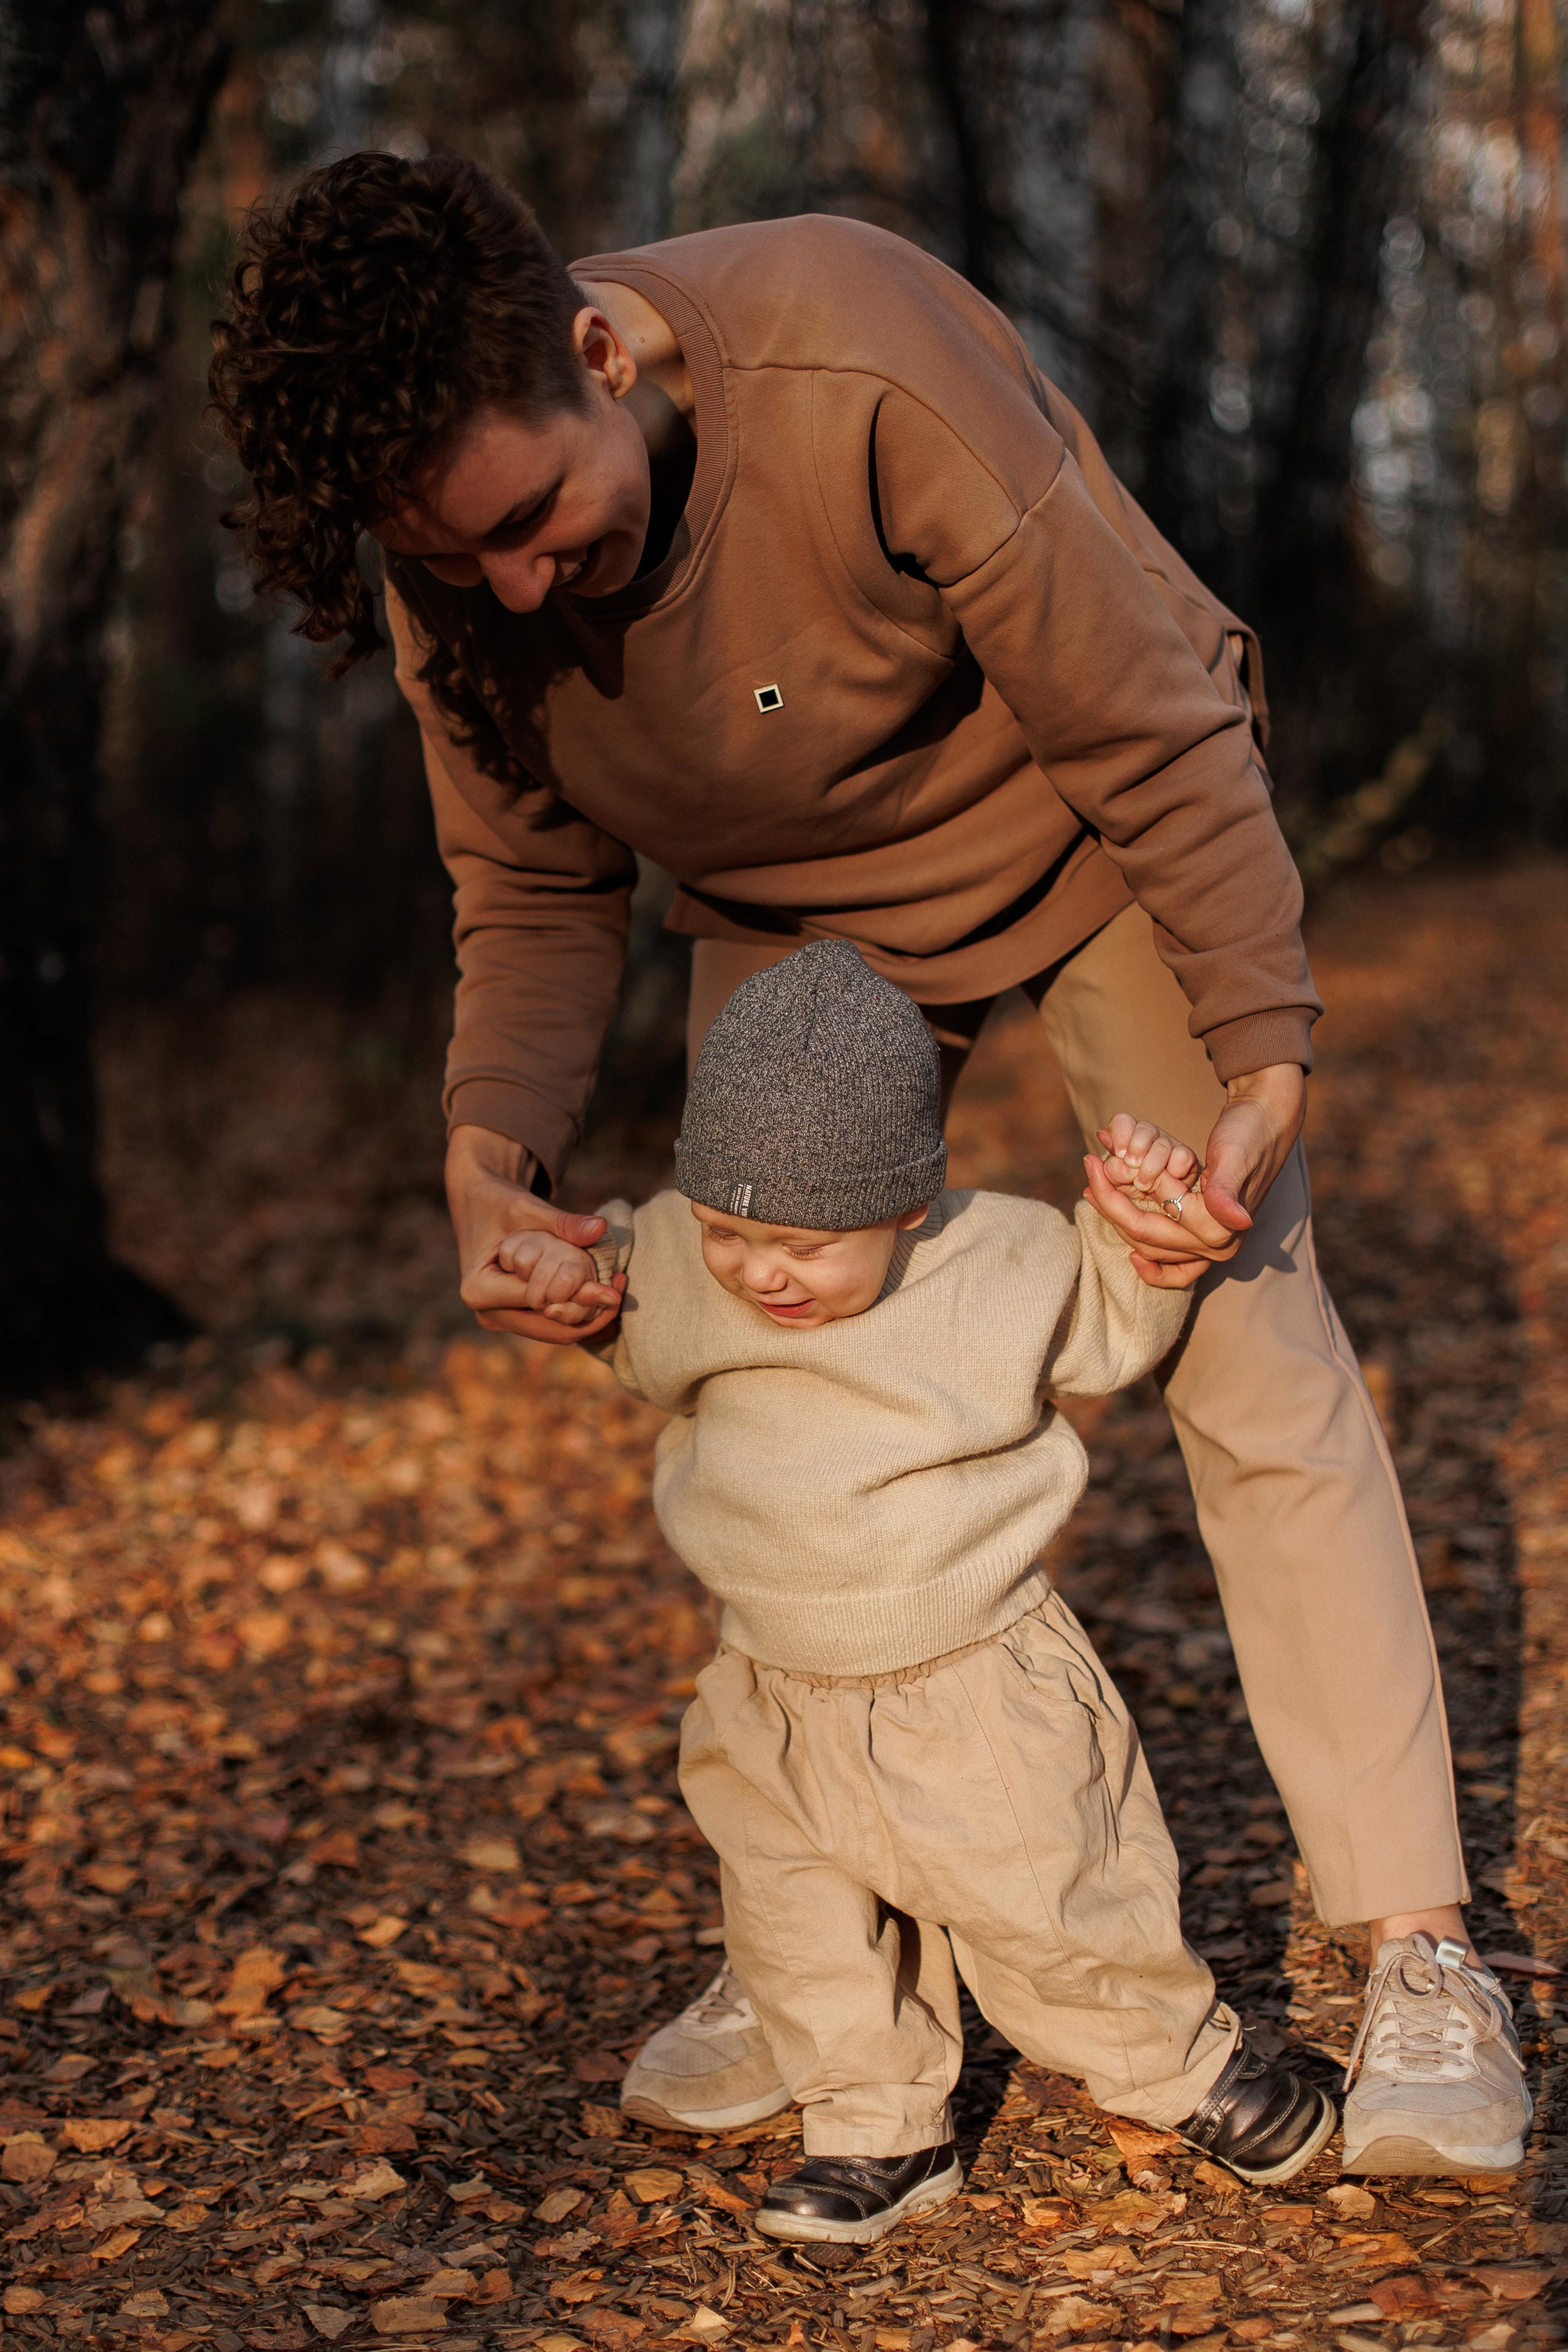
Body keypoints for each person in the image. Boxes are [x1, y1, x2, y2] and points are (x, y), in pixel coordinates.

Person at [209, 153, 1531, 2177]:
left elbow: (1156, 741)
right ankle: (829, 1942)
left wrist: (1259, 1067)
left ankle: (1422, 1949)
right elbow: (535, 886)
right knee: (776, 1364)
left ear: (595, 350)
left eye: (537, 523)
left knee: (1245, 1337)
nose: (519, 594)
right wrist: (492, 1161)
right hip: (799, 918)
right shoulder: (451, 550)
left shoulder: (854, 357)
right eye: (460, 561)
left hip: (1092, 837)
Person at [517, 936, 1337, 2241]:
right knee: (801, 1930)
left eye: (799, 1243)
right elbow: (624, 1301)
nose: (759, 1271)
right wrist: (571, 1280)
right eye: (729, 1230)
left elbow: (1108, 1321)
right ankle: (875, 2129)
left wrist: (1148, 1236)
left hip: (968, 1677)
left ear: (905, 1208)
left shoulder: (998, 1263)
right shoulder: (683, 1254)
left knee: (1047, 1901)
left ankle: (1181, 2066)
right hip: (766, 1686)